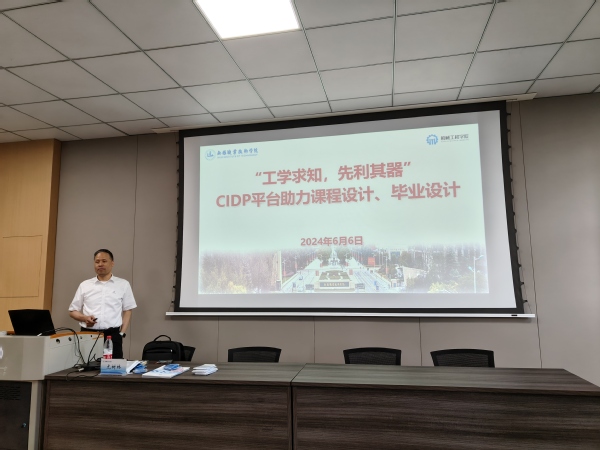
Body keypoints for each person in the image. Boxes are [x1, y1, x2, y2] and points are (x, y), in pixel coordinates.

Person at [68, 249, 136, 359]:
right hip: (88, 335)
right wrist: (84, 318)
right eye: (97, 261)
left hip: (112, 336)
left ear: (112, 263)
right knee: (87, 367)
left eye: (104, 261)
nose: (100, 264)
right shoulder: (85, 285)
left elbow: (128, 310)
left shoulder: (123, 284)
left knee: (113, 367)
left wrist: (121, 333)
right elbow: (72, 311)